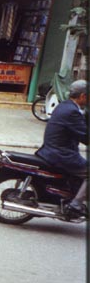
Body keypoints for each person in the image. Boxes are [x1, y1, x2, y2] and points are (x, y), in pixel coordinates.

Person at [36, 79, 88, 216]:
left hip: (53, 150)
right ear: (83, 96)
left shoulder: (65, 106)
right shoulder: (72, 112)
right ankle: (75, 205)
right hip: (60, 154)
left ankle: (71, 196)